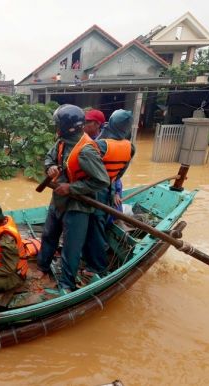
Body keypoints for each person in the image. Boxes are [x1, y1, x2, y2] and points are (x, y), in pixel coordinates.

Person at [36, 105, 110, 292]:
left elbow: (102, 181)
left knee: (71, 247)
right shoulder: (62, 141)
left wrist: (71, 188)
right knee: (48, 235)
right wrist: (50, 166)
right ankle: (43, 266)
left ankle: (67, 284)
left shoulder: (86, 151)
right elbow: (49, 157)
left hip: (78, 205)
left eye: (57, 124)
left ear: (68, 126)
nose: (55, 127)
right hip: (59, 200)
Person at [81, 110, 135, 281]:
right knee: (97, 225)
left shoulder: (99, 145)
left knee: (94, 227)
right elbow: (118, 175)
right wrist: (113, 191)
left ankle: (97, 266)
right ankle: (94, 256)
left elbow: (86, 168)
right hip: (107, 189)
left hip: (93, 189)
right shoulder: (130, 147)